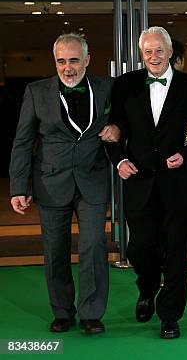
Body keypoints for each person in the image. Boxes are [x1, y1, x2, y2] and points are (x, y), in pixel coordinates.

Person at [9, 33, 119, 334]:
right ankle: (62, 311)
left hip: (93, 180)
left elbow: (125, 121)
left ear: (86, 60)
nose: (67, 68)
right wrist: (19, 187)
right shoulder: (36, 91)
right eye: (61, 61)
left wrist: (117, 129)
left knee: (93, 246)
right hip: (50, 181)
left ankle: (92, 313)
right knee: (55, 250)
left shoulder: (107, 88)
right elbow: (23, 141)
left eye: (73, 60)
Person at [108, 26, 187, 339]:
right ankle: (147, 288)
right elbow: (113, 129)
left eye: (159, 50)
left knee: (178, 253)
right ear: (142, 54)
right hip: (139, 183)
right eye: (148, 51)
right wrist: (119, 159)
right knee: (140, 248)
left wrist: (186, 155)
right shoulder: (124, 85)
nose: (153, 56)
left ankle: (170, 315)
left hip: (176, 184)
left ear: (170, 53)